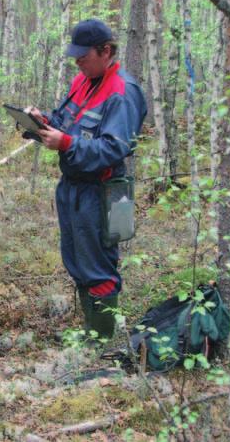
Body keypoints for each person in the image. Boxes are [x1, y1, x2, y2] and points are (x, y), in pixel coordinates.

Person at [27, 19, 146, 342]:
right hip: (73, 188)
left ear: (105, 51)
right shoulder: (83, 81)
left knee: (99, 267)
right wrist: (42, 123)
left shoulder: (122, 91)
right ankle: (90, 332)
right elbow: (67, 123)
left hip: (102, 191)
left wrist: (66, 144)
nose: (78, 62)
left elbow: (115, 148)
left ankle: (102, 342)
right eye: (76, 56)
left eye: (84, 56)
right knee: (77, 261)